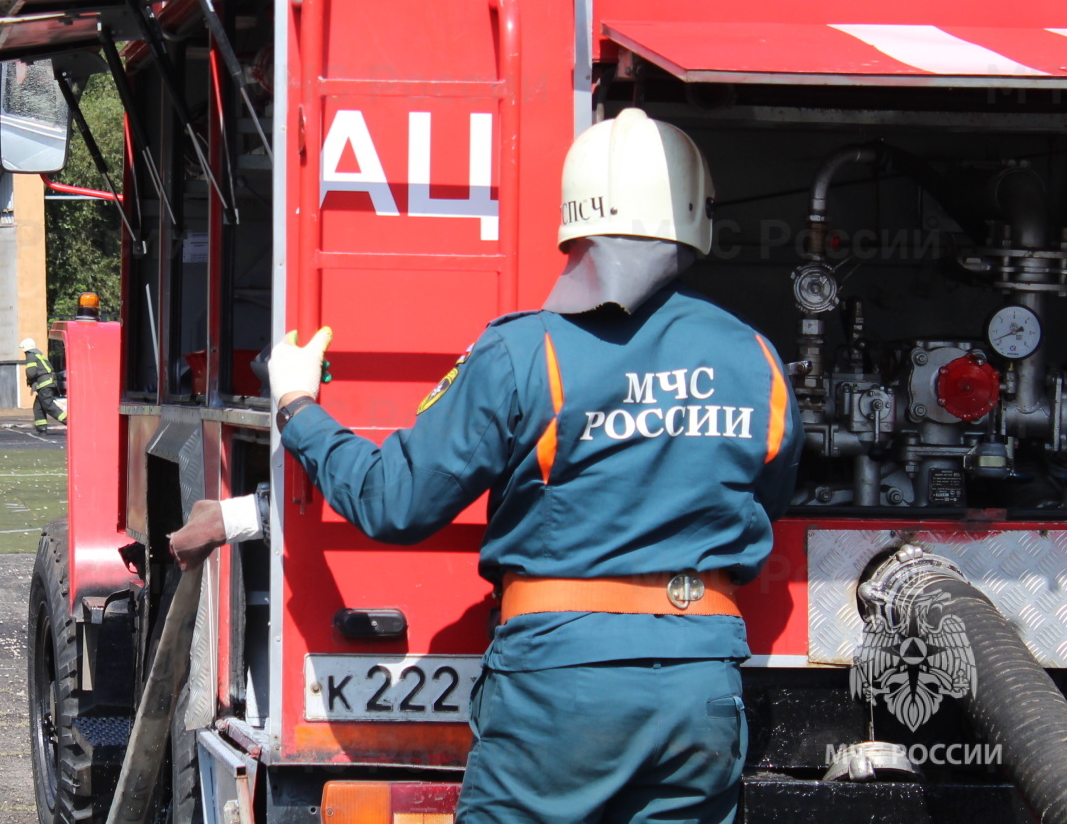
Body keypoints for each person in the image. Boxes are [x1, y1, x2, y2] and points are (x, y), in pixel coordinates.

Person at [170, 108, 800, 824]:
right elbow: (766, 497)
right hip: (700, 689)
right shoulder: (757, 358)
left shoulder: (526, 352)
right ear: (695, 215)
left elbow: (395, 502)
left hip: (561, 691)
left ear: (576, 221)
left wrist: (297, 406)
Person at [22, 338, 64, 431]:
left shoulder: (31, 356)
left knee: (48, 405)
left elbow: (31, 372)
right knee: (38, 407)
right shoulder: (38, 354)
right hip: (48, 382)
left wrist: (30, 382)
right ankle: (41, 428)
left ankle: (68, 421)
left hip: (44, 383)